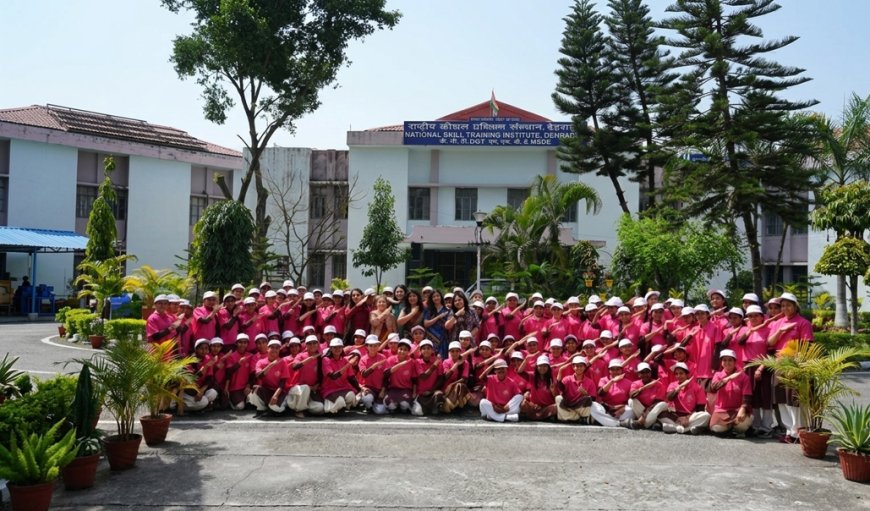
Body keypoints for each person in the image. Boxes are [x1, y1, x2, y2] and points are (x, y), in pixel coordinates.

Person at [768, 292, 814, 443]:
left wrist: (797, 365)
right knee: (782, 399)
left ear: (795, 306)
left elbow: (807, 346)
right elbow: (770, 343)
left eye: (788, 305)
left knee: (794, 400)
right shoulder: (777, 323)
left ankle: (798, 431)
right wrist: (780, 331)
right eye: (782, 305)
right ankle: (789, 430)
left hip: (795, 365)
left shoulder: (803, 323)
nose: (785, 308)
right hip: (780, 364)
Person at [708, 349, 753, 437]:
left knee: (745, 423)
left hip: (737, 410)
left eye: (730, 360)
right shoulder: (717, 375)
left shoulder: (743, 377)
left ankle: (734, 430)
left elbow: (747, 396)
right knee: (715, 427)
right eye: (724, 360)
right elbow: (713, 388)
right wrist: (728, 378)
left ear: (735, 361)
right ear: (721, 362)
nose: (727, 362)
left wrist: (743, 409)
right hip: (722, 411)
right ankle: (732, 430)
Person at [659, 362, 711, 434]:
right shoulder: (673, 385)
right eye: (676, 374)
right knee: (661, 414)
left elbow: (700, 409)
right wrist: (678, 388)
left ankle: (677, 428)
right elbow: (669, 398)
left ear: (687, 374)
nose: (678, 376)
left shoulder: (697, 387)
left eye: (681, 373)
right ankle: (688, 429)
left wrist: (687, 418)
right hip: (676, 416)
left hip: (690, 416)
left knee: (706, 416)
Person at [285, 335, 325, 416]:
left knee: (320, 408)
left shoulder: (320, 357)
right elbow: (295, 367)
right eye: (309, 343)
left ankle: (303, 408)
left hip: (311, 390)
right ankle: (300, 410)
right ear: (306, 345)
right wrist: (310, 359)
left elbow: (321, 375)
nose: (312, 345)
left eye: (314, 343)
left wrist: (317, 385)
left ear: (317, 344)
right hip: (298, 388)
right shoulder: (300, 355)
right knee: (306, 387)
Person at [249, 340, 290, 416]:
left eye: (277, 348)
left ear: (279, 350)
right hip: (267, 390)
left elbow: (283, 382)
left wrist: (275, 395)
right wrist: (271, 365)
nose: (274, 349)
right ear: (268, 349)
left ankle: (279, 408)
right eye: (272, 347)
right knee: (255, 389)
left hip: (279, 391)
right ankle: (261, 408)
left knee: (275, 408)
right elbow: (259, 376)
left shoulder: (283, 362)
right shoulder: (261, 362)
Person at [320, 339, 361, 414]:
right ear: (331, 348)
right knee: (340, 401)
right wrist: (348, 365)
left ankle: (341, 407)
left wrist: (360, 389)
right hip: (329, 389)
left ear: (342, 348)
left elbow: (351, 377)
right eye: (335, 347)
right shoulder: (326, 360)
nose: (337, 349)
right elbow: (333, 376)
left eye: (339, 347)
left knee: (351, 395)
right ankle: (332, 409)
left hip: (343, 388)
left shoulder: (345, 360)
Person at [591, 360, 634, 427]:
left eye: (617, 369)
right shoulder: (604, 380)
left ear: (621, 370)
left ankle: (606, 421)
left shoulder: (629, 383)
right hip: (606, 408)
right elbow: (600, 393)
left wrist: (622, 408)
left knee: (630, 410)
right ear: (609, 370)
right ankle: (619, 423)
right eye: (613, 369)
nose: (615, 372)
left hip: (621, 409)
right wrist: (612, 381)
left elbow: (631, 400)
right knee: (593, 405)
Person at [625, 363, 668, 429]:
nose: (645, 374)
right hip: (643, 410)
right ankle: (650, 423)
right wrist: (643, 388)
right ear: (638, 374)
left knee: (662, 404)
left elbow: (657, 402)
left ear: (650, 373)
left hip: (653, 409)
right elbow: (632, 395)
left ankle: (641, 423)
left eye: (647, 372)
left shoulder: (658, 384)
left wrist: (644, 415)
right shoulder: (636, 383)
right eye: (642, 372)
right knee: (631, 401)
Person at [556, 356, 596, 423]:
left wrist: (586, 394)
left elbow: (593, 399)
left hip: (581, 406)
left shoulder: (590, 382)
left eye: (581, 366)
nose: (579, 368)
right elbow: (560, 387)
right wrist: (560, 371)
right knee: (558, 398)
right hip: (569, 404)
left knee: (588, 398)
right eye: (577, 366)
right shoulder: (567, 379)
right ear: (573, 367)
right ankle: (578, 418)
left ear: (584, 367)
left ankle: (573, 417)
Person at [383, 339, 418, 413]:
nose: (402, 351)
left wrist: (414, 392)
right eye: (400, 349)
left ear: (408, 352)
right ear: (397, 349)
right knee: (391, 406)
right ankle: (394, 407)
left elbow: (414, 379)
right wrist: (400, 364)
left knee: (404, 405)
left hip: (406, 389)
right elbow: (385, 375)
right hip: (393, 388)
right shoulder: (390, 360)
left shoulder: (412, 362)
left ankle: (402, 408)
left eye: (405, 350)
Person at [413, 340, 445, 415]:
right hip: (421, 394)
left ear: (432, 350)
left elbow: (441, 379)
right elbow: (423, 377)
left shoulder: (438, 361)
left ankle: (434, 407)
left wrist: (431, 390)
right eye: (424, 349)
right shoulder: (417, 362)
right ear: (420, 351)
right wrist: (435, 364)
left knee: (439, 394)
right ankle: (425, 407)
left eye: (428, 348)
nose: (426, 350)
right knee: (418, 413)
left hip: (432, 392)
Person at [520, 355, 557, 421]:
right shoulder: (532, 376)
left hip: (547, 407)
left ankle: (536, 417)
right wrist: (526, 360)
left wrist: (553, 391)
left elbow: (556, 397)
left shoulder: (552, 379)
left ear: (548, 367)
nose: (542, 368)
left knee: (555, 407)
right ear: (537, 367)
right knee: (524, 404)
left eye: (545, 366)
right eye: (540, 366)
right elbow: (520, 372)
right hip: (534, 406)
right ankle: (543, 417)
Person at [358, 335, 389, 414]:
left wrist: (383, 390)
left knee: (380, 411)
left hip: (380, 388)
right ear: (367, 347)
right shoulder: (363, 359)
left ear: (378, 346)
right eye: (370, 345)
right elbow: (364, 374)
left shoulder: (382, 357)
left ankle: (376, 404)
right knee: (367, 399)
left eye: (375, 345)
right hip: (369, 388)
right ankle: (369, 406)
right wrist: (374, 366)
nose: (373, 348)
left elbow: (386, 376)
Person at [223, 334, 253, 410]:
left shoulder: (250, 356)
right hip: (235, 388)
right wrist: (238, 363)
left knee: (252, 405)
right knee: (240, 407)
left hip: (246, 387)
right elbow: (229, 372)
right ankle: (231, 401)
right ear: (236, 343)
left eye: (245, 342)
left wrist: (249, 386)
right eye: (240, 342)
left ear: (247, 344)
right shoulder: (231, 356)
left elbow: (252, 374)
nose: (242, 344)